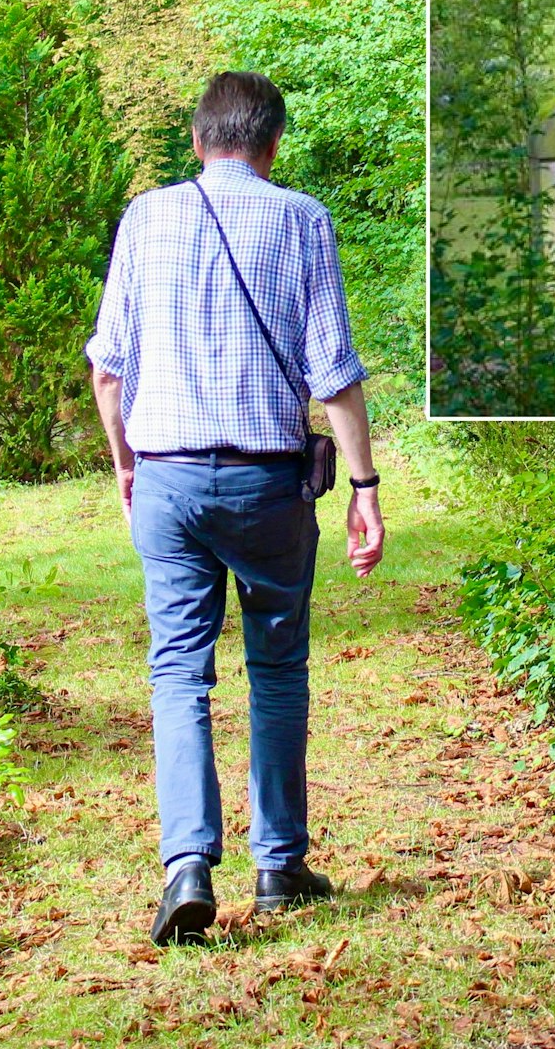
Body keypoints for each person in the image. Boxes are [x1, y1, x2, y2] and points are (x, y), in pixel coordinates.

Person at [86, 71, 385, 946]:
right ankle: (280, 863)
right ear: (273, 144)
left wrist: (126, 461)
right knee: (278, 666)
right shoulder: (303, 220)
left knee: (179, 669)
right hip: (268, 484)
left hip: (170, 481)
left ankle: (186, 865)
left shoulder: (146, 218)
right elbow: (333, 370)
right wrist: (365, 489)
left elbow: (110, 367)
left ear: (197, 140)